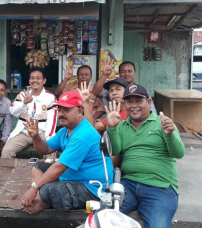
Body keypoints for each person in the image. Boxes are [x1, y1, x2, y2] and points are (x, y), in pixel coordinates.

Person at [20, 91, 114, 214]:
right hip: (73, 178)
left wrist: (34, 187)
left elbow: (60, 167)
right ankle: (41, 199)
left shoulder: (83, 134)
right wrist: (35, 137)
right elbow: (45, 149)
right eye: (59, 110)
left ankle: (43, 201)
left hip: (92, 188)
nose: (61, 114)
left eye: (66, 110)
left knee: (49, 189)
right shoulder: (65, 131)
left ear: (80, 111)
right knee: (38, 167)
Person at [106, 84, 185, 228]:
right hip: (128, 184)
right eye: (129, 101)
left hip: (160, 186)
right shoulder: (122, 126)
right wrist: (112, 128)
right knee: (104, 218)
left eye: (139, 101)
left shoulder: (162, 122)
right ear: (124, 104)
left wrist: (170, 135)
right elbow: (115, 151)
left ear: (148, 103)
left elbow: (178, 153)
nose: (134, 105)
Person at [1, 67, 57, 159]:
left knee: (51, 152)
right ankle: (8, 173)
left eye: (38, 78)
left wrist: (49, 138)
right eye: (32, 78)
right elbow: (12, 112)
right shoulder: (23, 94)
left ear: (44, 81)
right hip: (24, 132)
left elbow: (52, 120)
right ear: (29, 80)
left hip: (42, 133)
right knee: (7, 151)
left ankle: (47, 173)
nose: (35, 80)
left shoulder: (50, 97)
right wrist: (24, 103)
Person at [93, 60, 157, 113]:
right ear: (119, 73)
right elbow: (96, 92)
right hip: (114, 120)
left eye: (130, 71)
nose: (127, 74)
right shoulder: (113, 88)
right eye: (123, 71)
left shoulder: (142, 91)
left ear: (135, 73)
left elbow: (152, 111)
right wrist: (105, 75)